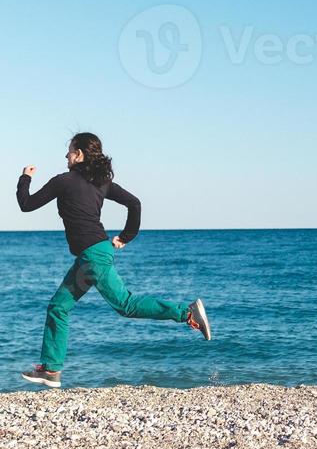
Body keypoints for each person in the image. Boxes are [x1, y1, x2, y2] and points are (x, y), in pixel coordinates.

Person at [15, 132, 210, 388]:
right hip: (91, 255)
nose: (66, 155)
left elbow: (26, 204)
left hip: (94, 255)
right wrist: (126, 237)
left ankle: (186, 313)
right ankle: (51, 370)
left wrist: (25, 177)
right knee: (58, 307)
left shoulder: (63, 181)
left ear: (80, 154)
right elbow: (135, 204)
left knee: (126, 305)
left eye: (70, 150)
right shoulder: (101, 182)